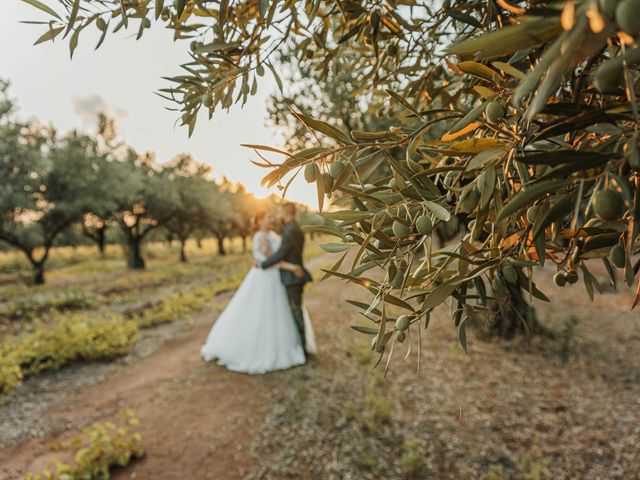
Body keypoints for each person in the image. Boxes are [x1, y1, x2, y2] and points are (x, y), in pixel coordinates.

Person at [200, 211, 316, 374]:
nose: (273, 219)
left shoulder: (272, 234)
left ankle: (289, 345)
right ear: (260, 221)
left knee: (279, 313)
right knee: (263, 312)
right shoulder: (261, 236)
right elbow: (270, 261)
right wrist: (291, 267)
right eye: (269, 217)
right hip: (266, 277)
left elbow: (280, 254)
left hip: (275, 278)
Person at [259, 202, 312, 359]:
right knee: (295, 311)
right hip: (292, 276)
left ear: (286, 212)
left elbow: (281, 253)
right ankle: (301, 346)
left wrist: (262, 264)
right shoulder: (291, 228)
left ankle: (303, 349)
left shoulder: (291, 230)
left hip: (293, 278)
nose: (278, 214)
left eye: (280, 211)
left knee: (296, 312)